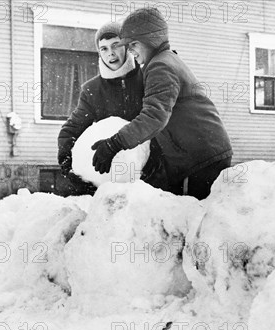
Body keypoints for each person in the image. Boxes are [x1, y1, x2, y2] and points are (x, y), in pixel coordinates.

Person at [90, 7, 233, 200]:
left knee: (195, 220)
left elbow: (154, 117)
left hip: (200, 158)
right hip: (198, 154)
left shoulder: (160, 66)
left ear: (150, 41)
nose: (130, 51)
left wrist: (114, 144)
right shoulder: (164, 61)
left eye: (133, 44)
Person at [57, 21, 167, 195]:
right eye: (104, 48)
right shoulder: (92, 89)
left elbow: (160, 120)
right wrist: (68, 166)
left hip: (151, 176)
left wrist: (155, 162)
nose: (111, 53)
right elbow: (71, 129)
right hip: (107, 179)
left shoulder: (148, 79)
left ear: (127, 47)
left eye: (116, 45)